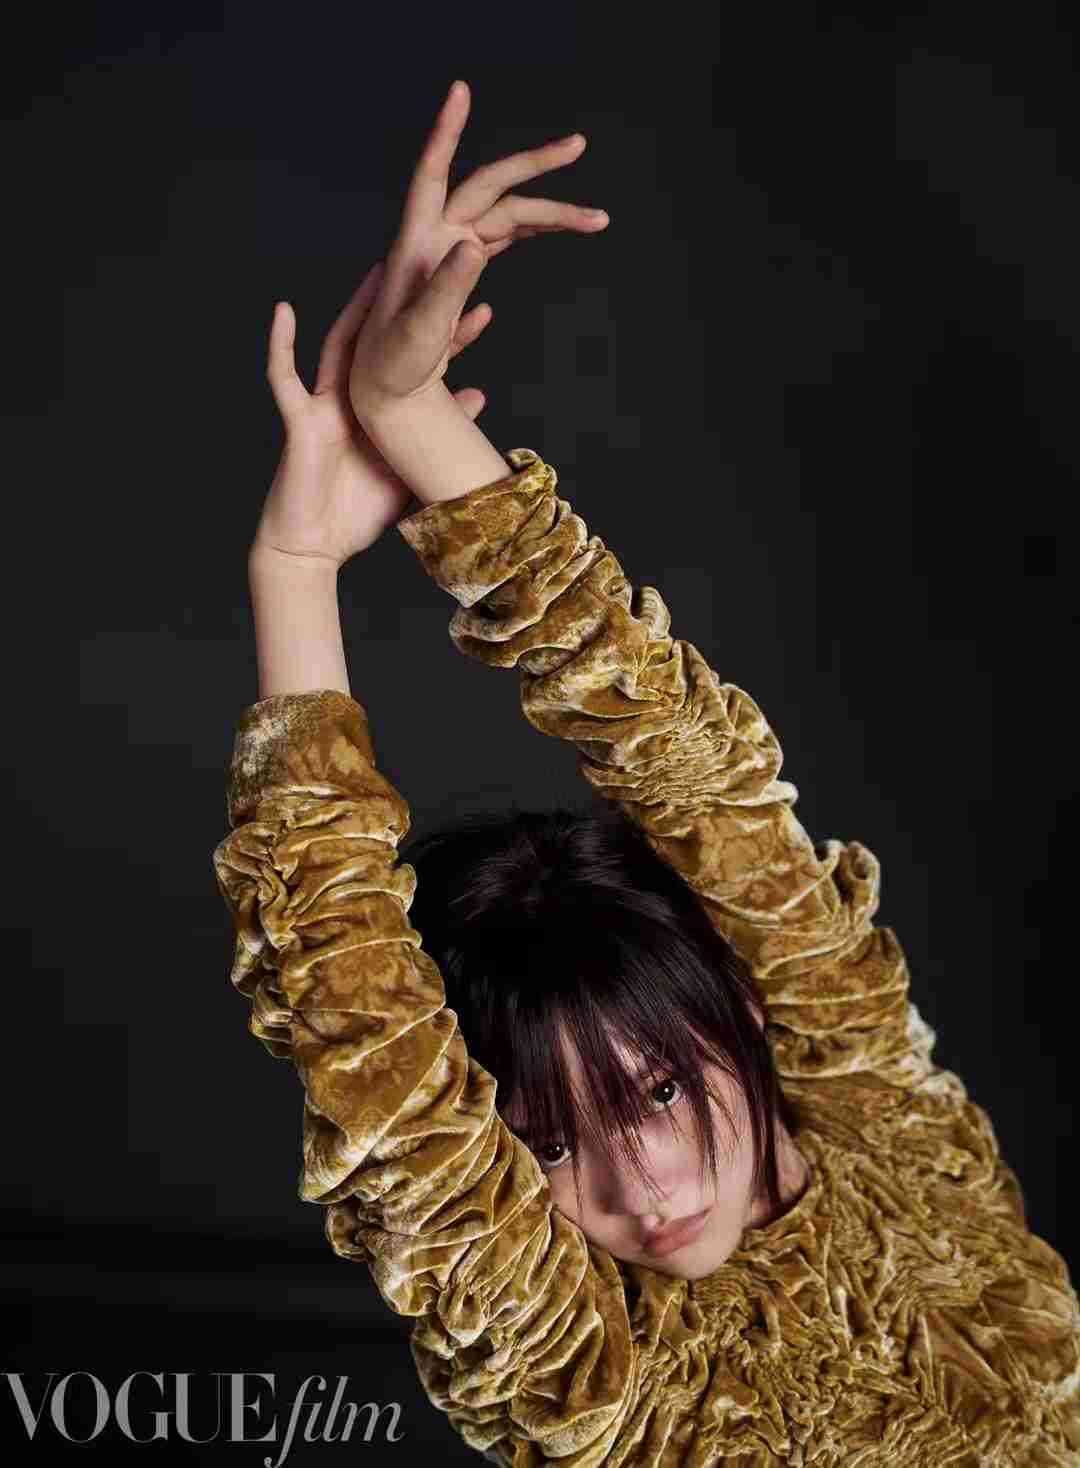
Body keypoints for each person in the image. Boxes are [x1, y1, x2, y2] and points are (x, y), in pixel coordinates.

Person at [212, 81, 1080, 1465]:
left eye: (660, 1090)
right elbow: (351, 1008)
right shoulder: (599, 1375)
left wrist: (410, 415)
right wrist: (295, 567)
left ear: (739, 1004)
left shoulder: (884, 1124)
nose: (645, 1184)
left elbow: (697, 775)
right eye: (554, 1144)